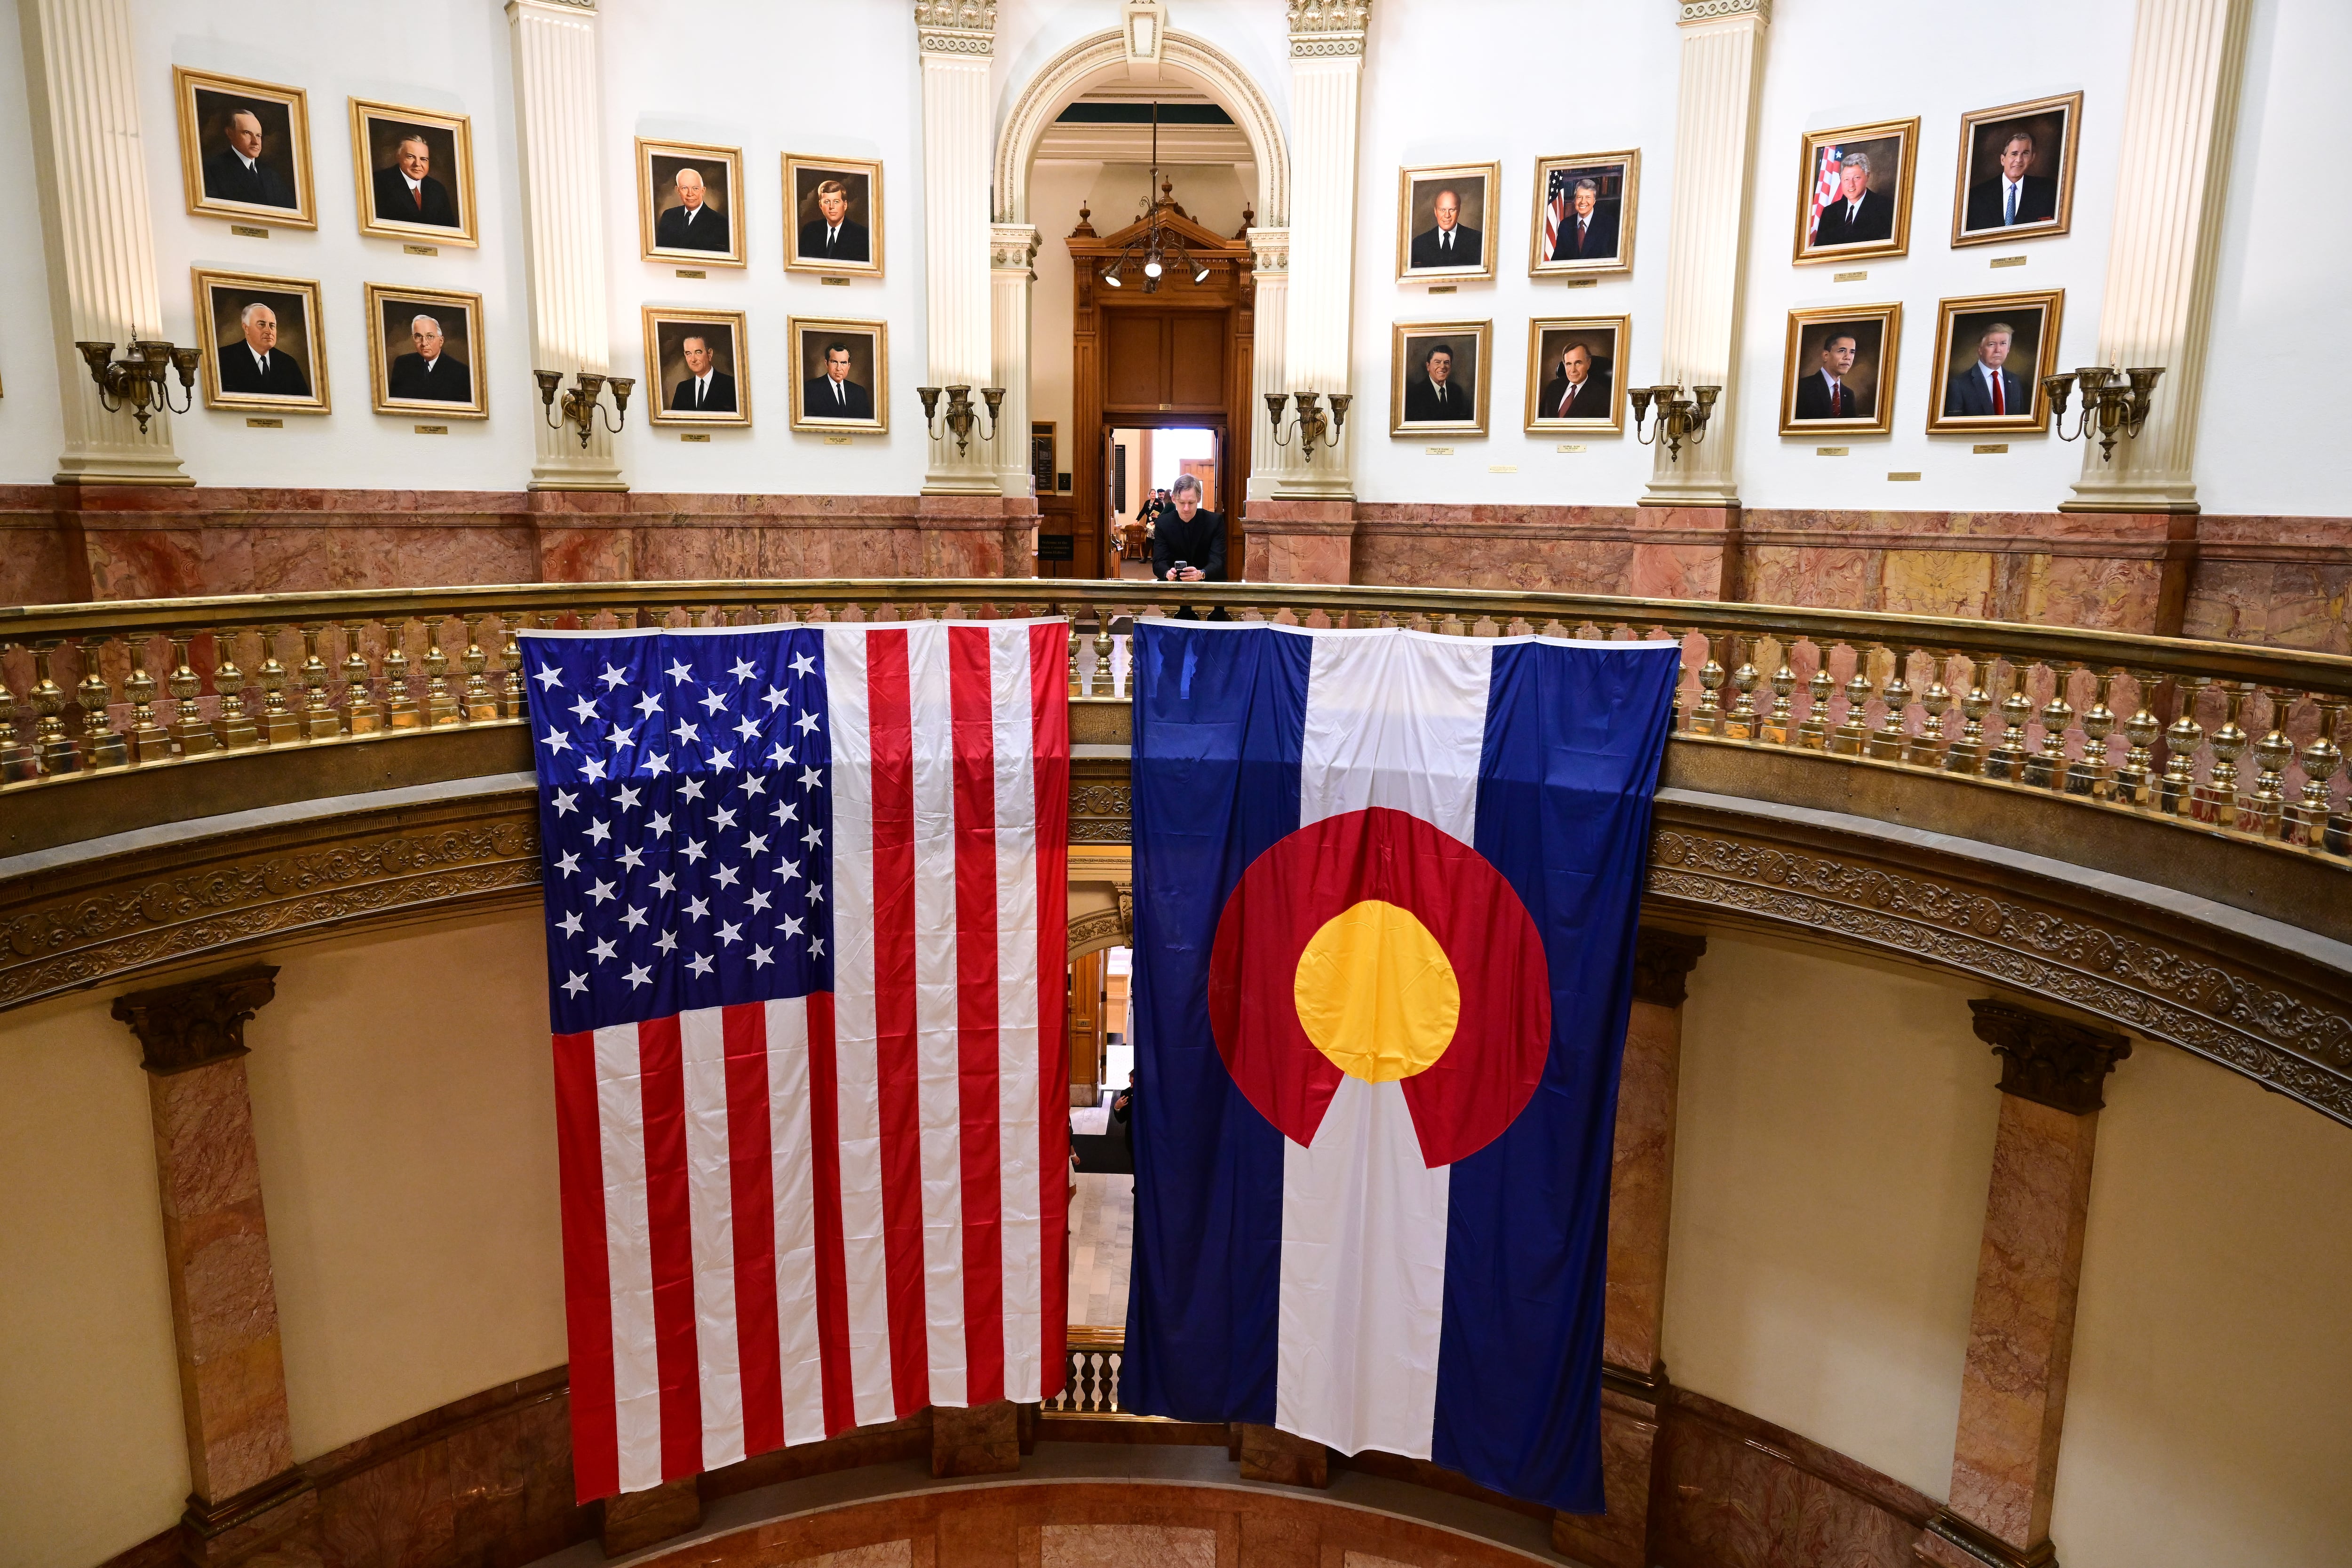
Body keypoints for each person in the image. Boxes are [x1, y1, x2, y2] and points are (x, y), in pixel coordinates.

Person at [201, 107, 296, 209]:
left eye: (258, 136)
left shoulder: (272, 175)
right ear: (230, 133)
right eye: (247, 133)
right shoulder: (213, 170)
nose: (256, 142)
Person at [1963, 130, 2058, 231]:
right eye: (2014, 154)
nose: (2019, 160)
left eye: (2025, 153)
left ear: (2032, 158)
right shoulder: (1977, 195)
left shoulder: (2048, 191)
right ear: (2003, 160)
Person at [215, 301, 310, 397]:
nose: (269, 331)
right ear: (246, 328)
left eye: (272, 326)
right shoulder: (224, 358)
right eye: (262, 324)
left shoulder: (289, 364)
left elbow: (305, 404)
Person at [1151, 473, 1225, 584]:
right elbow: (1159, 561)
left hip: (1209, 586)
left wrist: (1202, 574)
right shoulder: (1163, 523)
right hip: (1176, 587)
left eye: (1191, 503)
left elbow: (1218, 560)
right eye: (1182, 503)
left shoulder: (1214, 522)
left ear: (1199, 498)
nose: (1186, 509)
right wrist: (1167, 573)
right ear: (1174, 498)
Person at [372, 133, 458, 227]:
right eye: (411, 157)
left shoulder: (438, 189)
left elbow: (449, 230)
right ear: (398, 157)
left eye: (423, 159)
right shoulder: (379, 181)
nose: (418, 164)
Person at [1944, 321, 2027, 417]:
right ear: (1980, 349)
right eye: (1992, 344)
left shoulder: (2015, 381)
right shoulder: (1958, 385)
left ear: (2008, 349)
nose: (1998, 350)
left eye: (2003, 344)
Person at [1811, 151, 1893, 247]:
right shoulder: (1829, 213)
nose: (1851, 185)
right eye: (1846, 179)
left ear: (1867, 177)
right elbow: (1820, 252)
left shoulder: (1886, 208)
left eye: (1857, 178)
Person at [386, 314, 471, 401]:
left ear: (441, 341)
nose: (424, 343)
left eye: (430, 337)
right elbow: (395, 403)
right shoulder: (402, 364)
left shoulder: (461, 372)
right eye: (418, 336)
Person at [654, 167, 730, 252]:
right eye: (685, 188)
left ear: (703, 191)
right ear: (678, 190)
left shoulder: (720, 223)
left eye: (695, 189)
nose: (690, 194)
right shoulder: (668, 216)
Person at [1793, 329, 1861, 420]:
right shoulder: (1802, 388)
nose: (1848, 357)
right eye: (1842, 351)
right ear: (1826, 356)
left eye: (1852, 352)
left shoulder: (1849, 394)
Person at [797, 178, 870, 264]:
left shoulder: (862, 235)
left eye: (836, 201)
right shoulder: (809, 231)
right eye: (827, 202)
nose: (832, 206)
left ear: (845, 205)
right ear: (821, 205)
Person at [1409, 188, 1482, 269]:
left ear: (1459, 211)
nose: (1447, 215)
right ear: (1436, 212)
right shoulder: (1420, 243)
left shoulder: (1477, 240)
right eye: (1442, 210)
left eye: (1452, 210)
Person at [1551, 177, 1619, 262]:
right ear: (1575, 200)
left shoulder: (1608, 224)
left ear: (1594, 201)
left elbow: (1613, 259)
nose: (1583, 202)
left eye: (1588, 197)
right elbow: (1557, 261)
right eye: (1579, 197)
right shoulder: (1565, 225)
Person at [1539, 341, 1610, 420]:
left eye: (1578, 363)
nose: (1573, 370)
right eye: (1569, 364)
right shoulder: (1553, 387)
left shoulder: (1601, 396)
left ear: (1589, 363)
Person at [804, 341, 874, 419]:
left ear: (849, 366)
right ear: (826, 363)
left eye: (843, 363)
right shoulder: (811, 389)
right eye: (834, 362)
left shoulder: (859, 392)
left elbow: (867, 425)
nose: (839, 368)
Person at [1404, 341, 1471, 422]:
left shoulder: (1456, 391)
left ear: (1451, 367)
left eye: (1447, 363)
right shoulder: (1415, 393)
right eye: (1437, 362)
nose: (1442, 366)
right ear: (1428, 366)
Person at [669, 334, 736, 413]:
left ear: (710, 354)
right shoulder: (682, 389)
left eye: (698, 352)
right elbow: (675, 422)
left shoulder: (730, 384)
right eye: (689, 354)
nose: (693, 359)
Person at [1110, 1072, 1136, 1164]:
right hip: (1133, 1139)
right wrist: (1117, 1108)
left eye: (1134, 1084)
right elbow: (1121, 1119)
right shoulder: (1126, 1094)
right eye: (1130, 1083)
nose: (1131, 1087)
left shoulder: (1154, 1096)